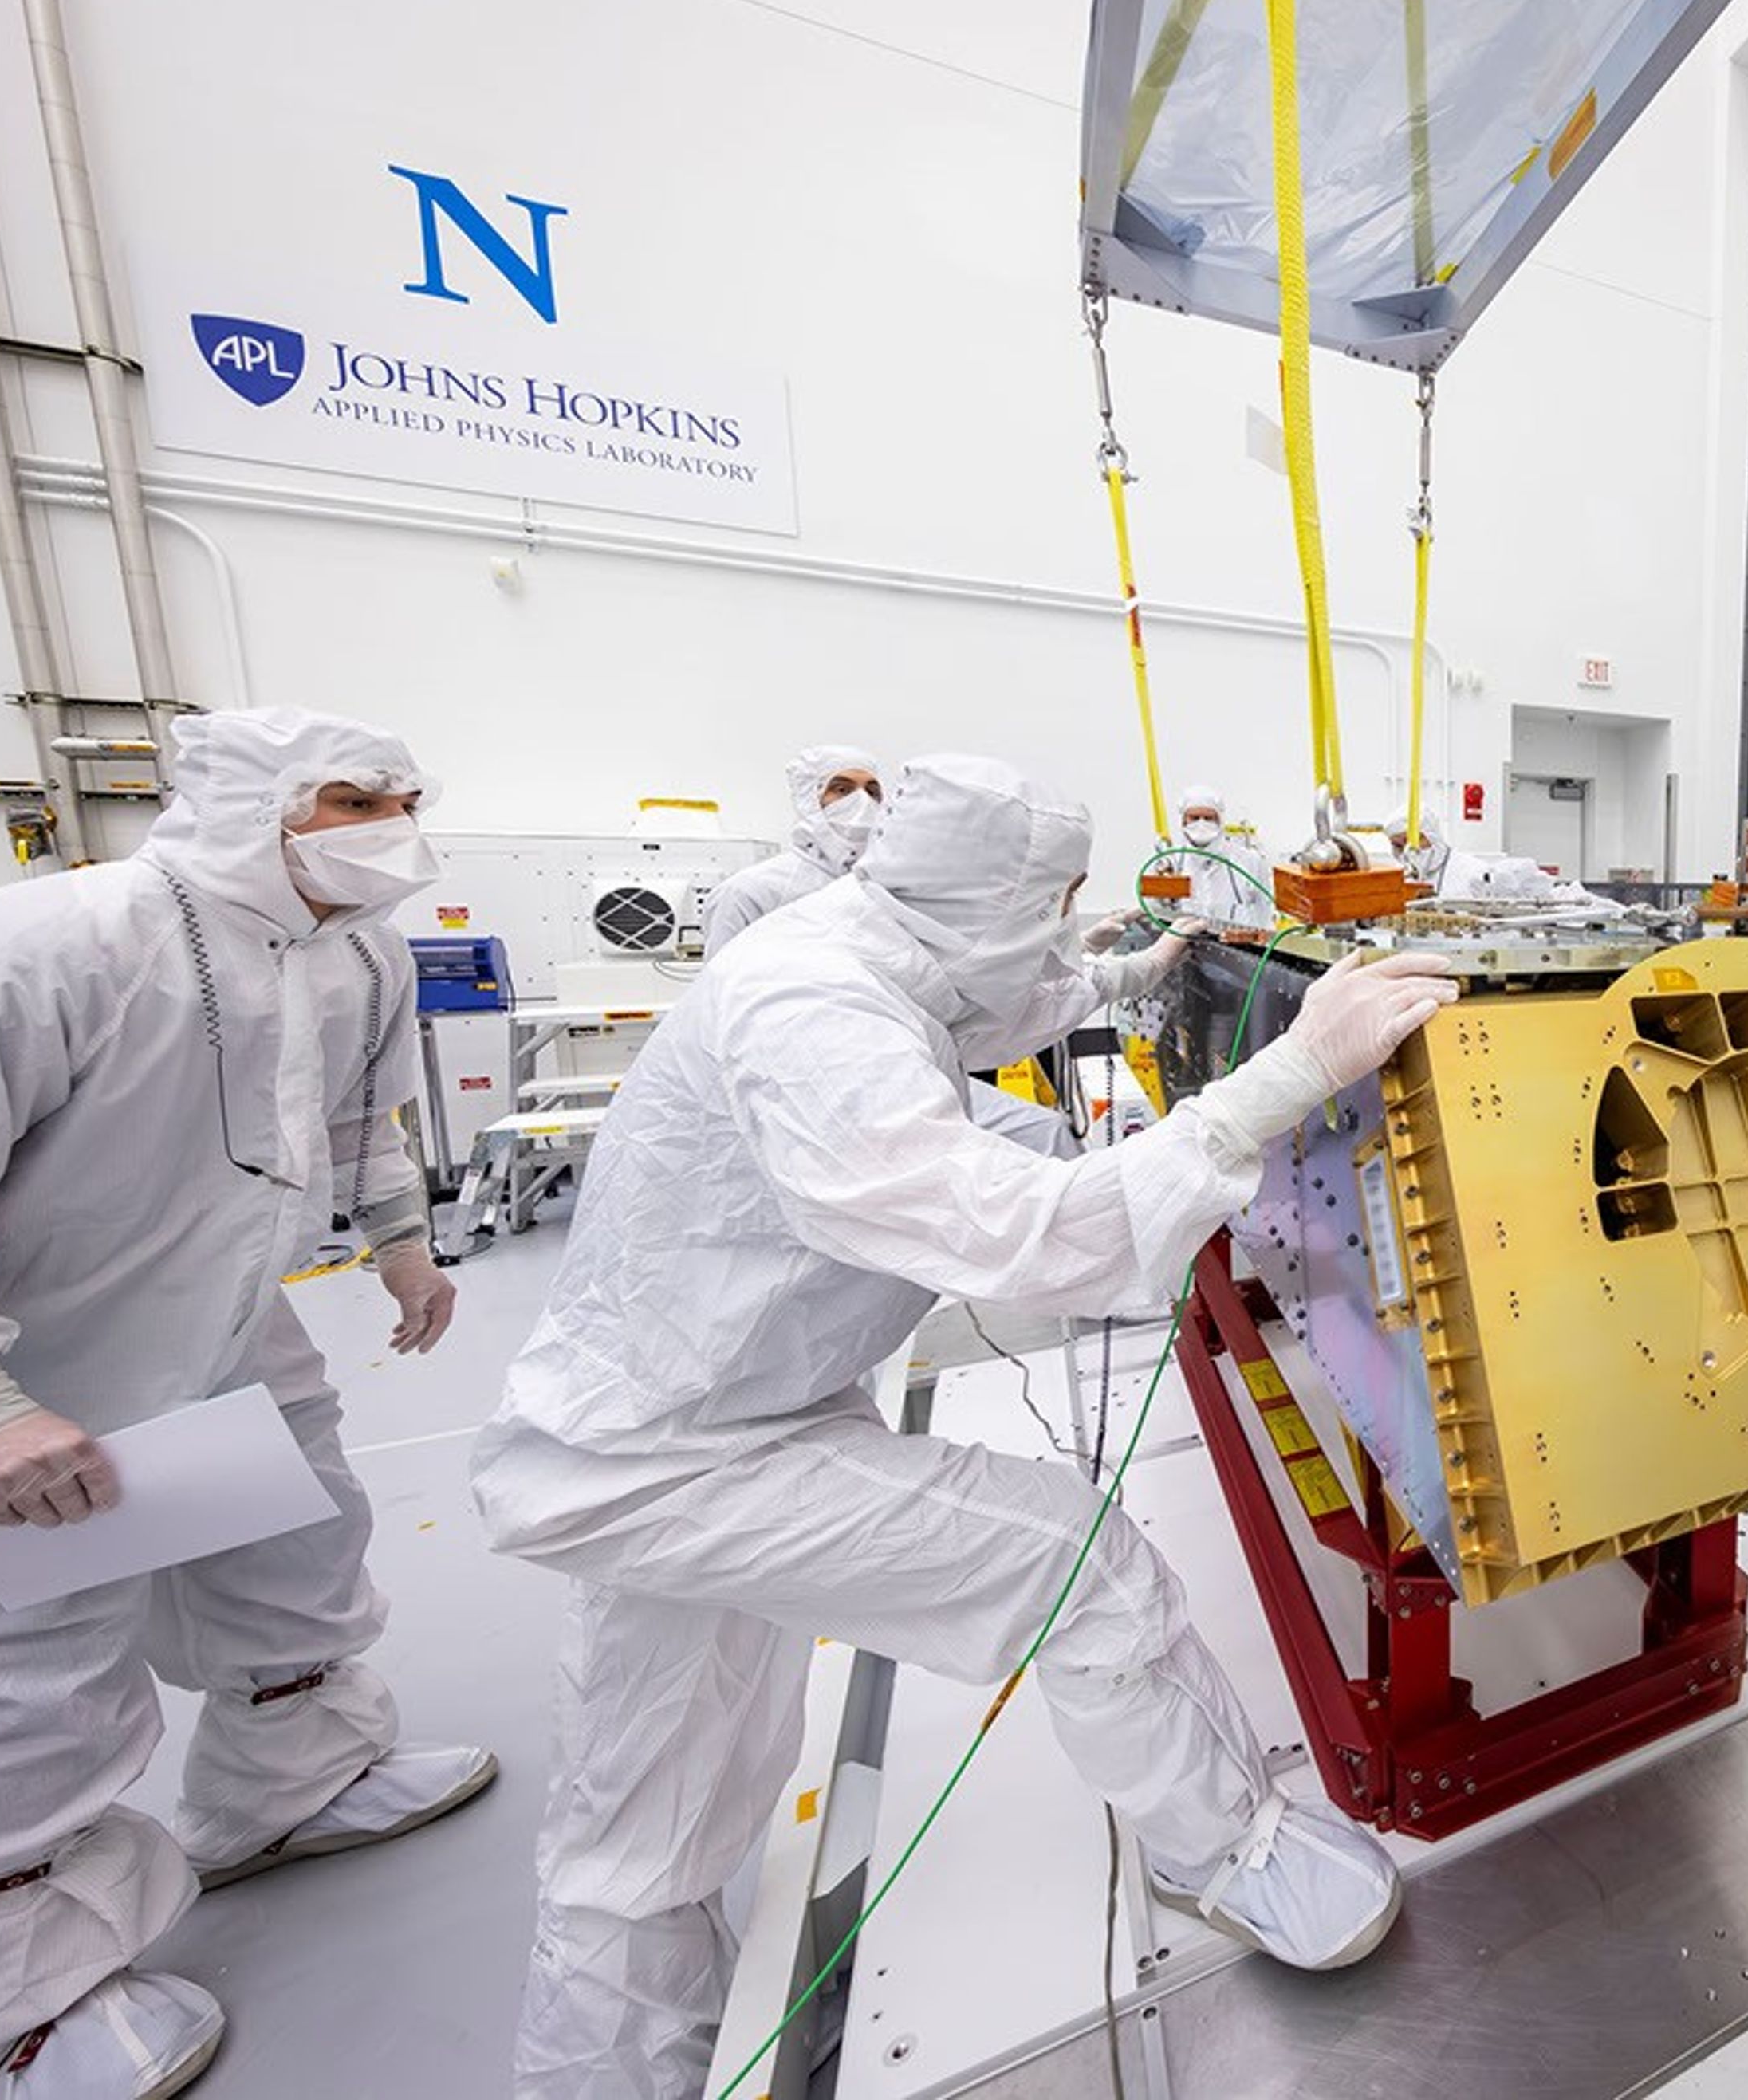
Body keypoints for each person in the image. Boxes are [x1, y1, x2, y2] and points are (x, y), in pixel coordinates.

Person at [470, 756, 1455, 2097]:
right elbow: (1032, 1245)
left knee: (647, 1816)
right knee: (1074, 1565)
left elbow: (1010, 992)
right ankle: (1226, 1852)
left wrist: (1138, 970)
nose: (1064, 928)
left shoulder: (866, 944)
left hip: (643, 1418)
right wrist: (1277, 1080)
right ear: (993, 891)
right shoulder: (813, 1012)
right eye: (1056, 901)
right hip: (686, 1457)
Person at [0, 709, 498, 2098]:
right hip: (34, 1351)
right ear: (254, 803)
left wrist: (401, 1243)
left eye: (403, 797)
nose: (387, 825)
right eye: (351, 799)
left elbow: (364, 1125)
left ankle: (288, 1784)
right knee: (23, 1654)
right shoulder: (41, 946)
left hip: (233, 1309)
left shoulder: (353, 951)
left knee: (295, 1538)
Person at [702, 744, 884, 954]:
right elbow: (720, 980)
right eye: (842, 790)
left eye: (871, 792)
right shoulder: (749, 893)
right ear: (809, 800)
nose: (862, 801)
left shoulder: (883, 889)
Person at [1171, 781, 1275, 931]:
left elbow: (1266, 909)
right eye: (1194, 818)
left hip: (1238, 946)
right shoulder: (1173, 861)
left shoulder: (1248, 860)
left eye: (1209, 818)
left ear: (1220, 820)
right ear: (1183, 820)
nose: (1202, 824)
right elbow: (1155, 907)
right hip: (1186, 945)